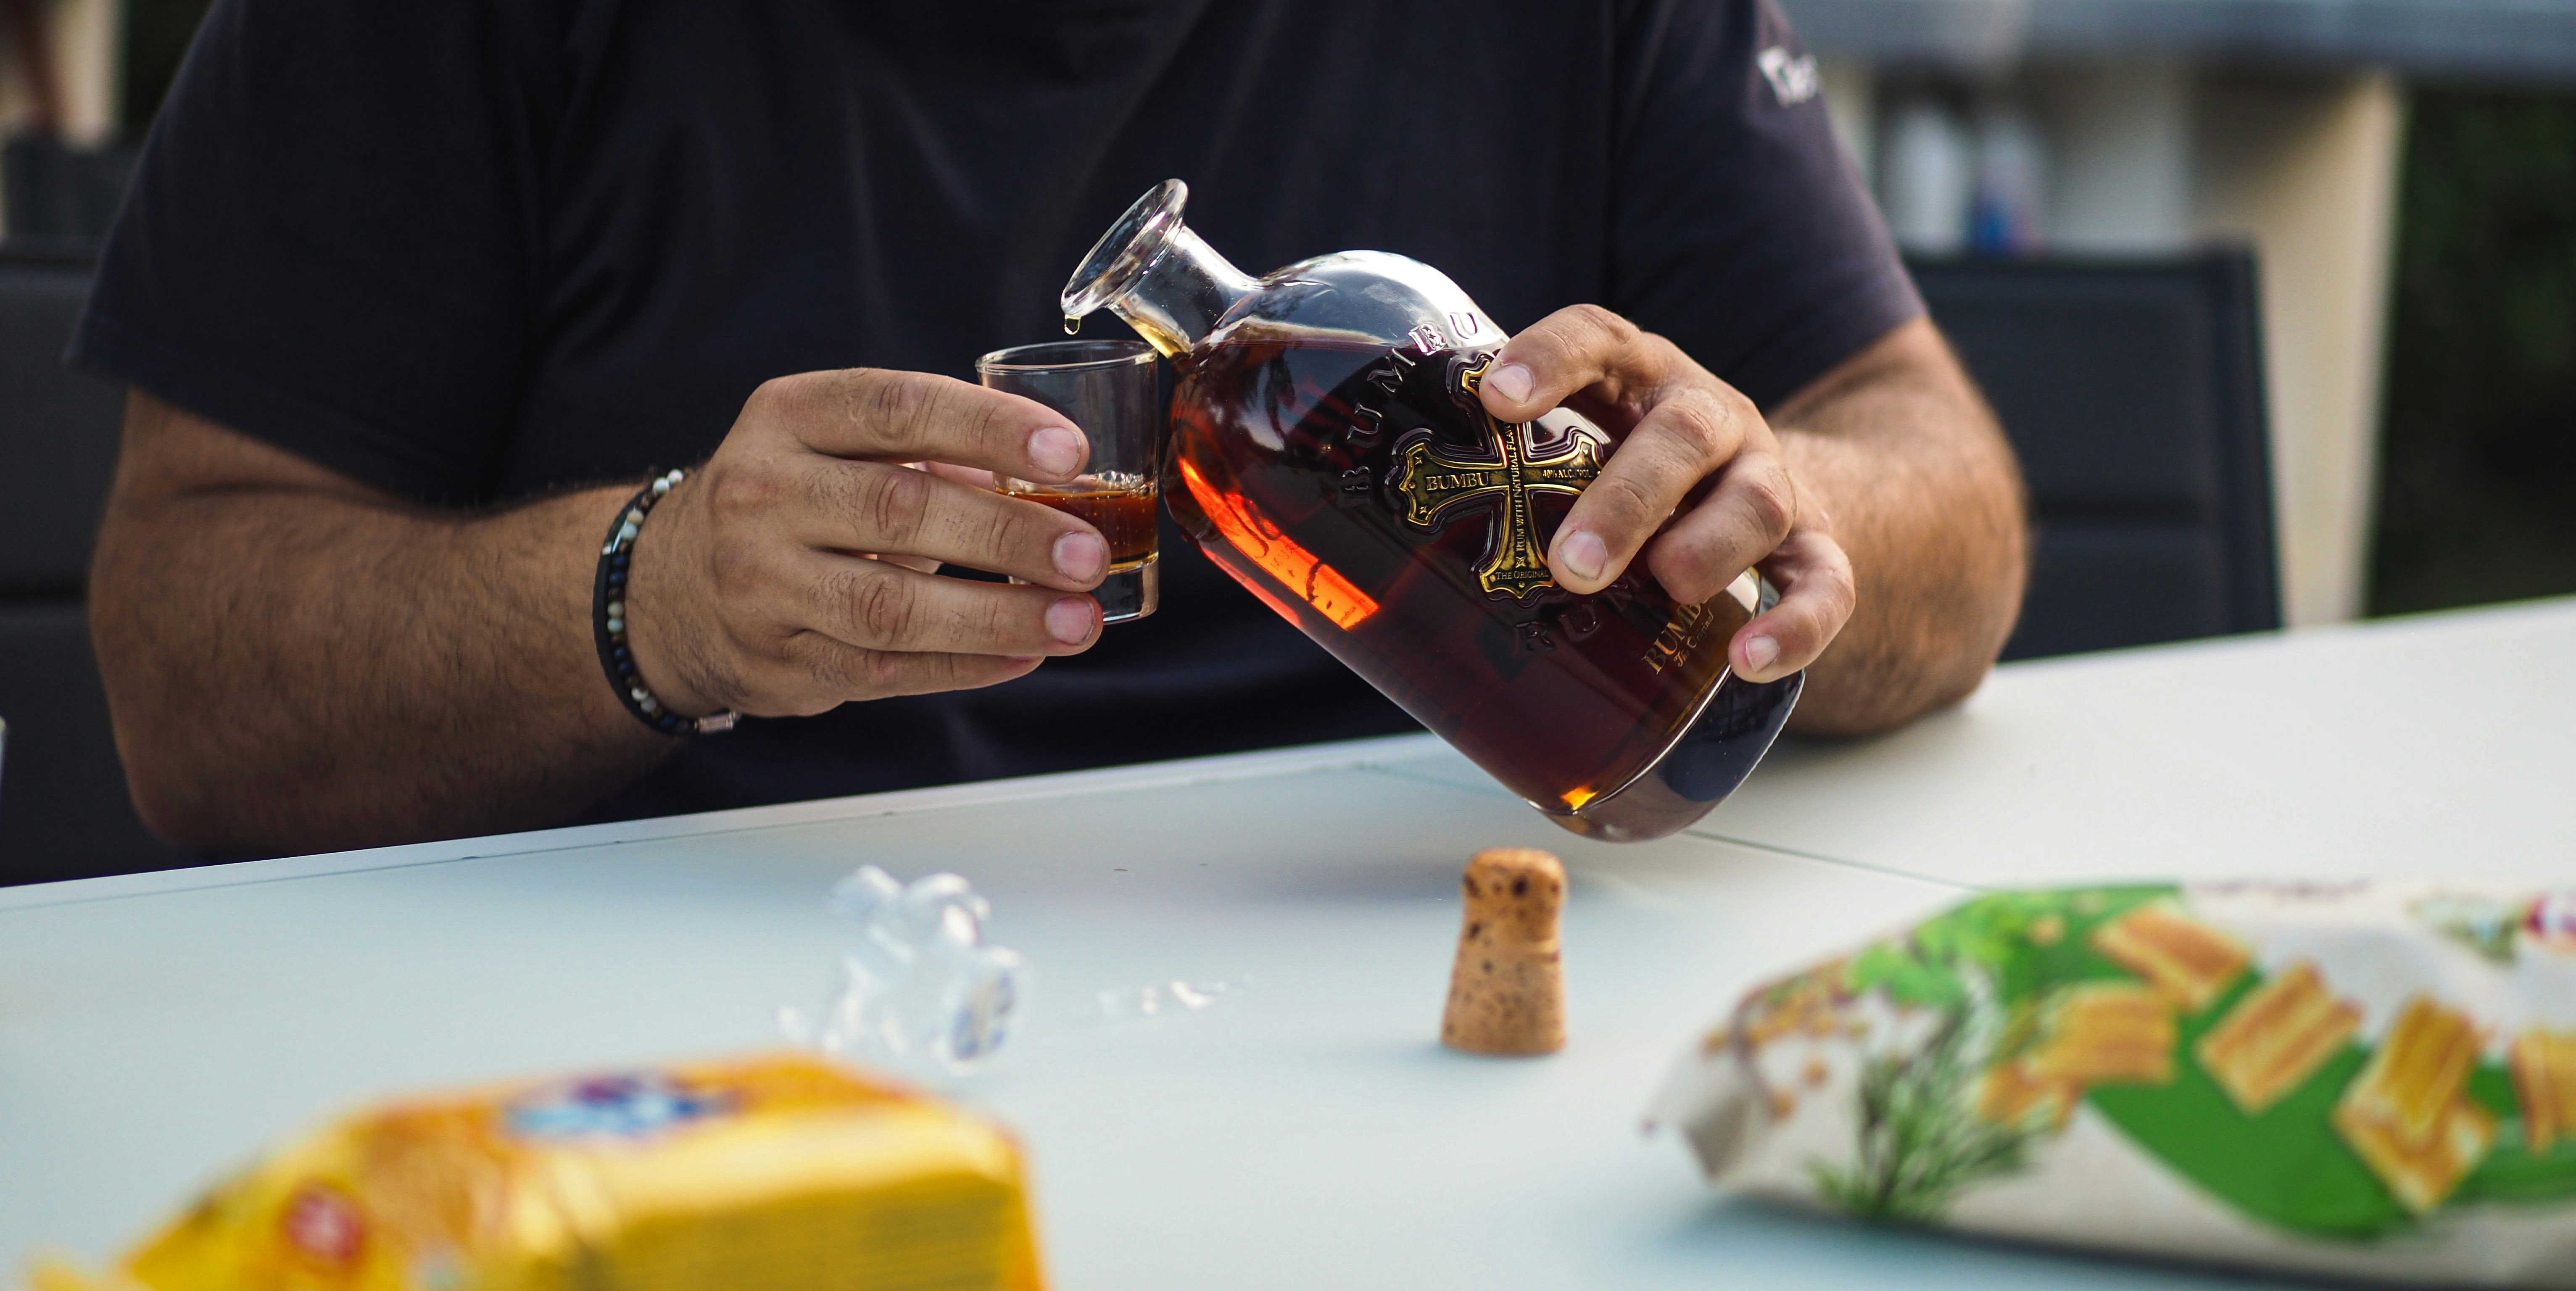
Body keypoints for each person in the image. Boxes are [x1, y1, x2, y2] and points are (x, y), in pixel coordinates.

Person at [76, 0, 2028, 857]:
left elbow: (1933, 475)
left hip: (1432, 980)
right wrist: (647, 600)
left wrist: (1765, 524)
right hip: (674, 1053)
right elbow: (183, 679)